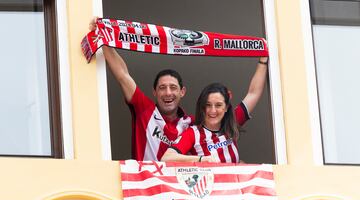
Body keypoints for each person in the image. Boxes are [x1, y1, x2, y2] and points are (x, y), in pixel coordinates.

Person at [89, 18, 268, 162]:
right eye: (162, 88)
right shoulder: (145, 111)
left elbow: (253, 94)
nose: (168, 92)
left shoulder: (193, 124)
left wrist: (263, 59)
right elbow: (123, 75)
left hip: (181, 199)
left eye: (173, 88)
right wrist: (105, 40)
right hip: (148, 192)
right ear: (154, 93)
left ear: (182, 92)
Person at [161, 61, 268, 163]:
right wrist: (200, 160)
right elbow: (166, 158)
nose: (213, 110)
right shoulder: (193, 133)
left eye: (218, 105)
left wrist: (263, 60)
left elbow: (254, 93)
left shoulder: (232, 121)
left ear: (226, 107)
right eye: (208, 105)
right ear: (202, 107)